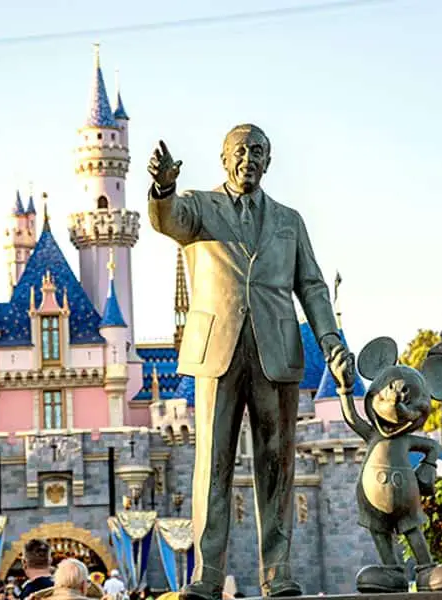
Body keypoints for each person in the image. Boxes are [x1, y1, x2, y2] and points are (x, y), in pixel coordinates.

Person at [147, 125, 355, 600]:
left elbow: (313, 287)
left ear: (269, 161)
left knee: (276, 466)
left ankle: (277, 572)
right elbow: (167, 219)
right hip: (216, 351)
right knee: (213, 465)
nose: (249, 159)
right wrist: (163, 188)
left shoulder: (289, 220)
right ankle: (207, 575)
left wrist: (331, 342)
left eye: (258, 152)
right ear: (224, 159)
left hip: (276, 353)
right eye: (240, 152)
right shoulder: (198, 207)